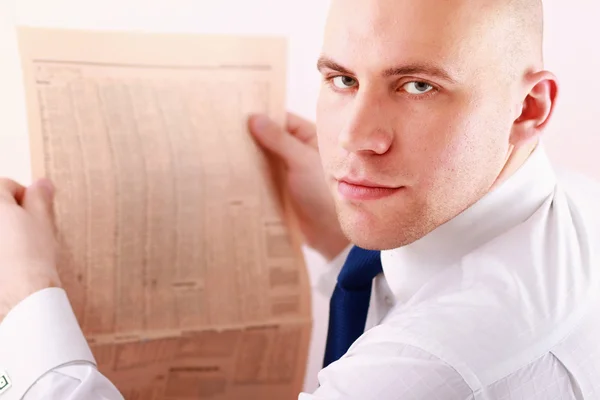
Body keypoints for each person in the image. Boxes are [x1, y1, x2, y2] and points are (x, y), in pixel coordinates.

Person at [1, 0, 600, 398]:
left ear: (529, 108)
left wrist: (24, 297)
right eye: (342, 79)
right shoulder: (574, 204)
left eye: (418, 86)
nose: (358, 139)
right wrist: (342, 245)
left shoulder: (441, 367)